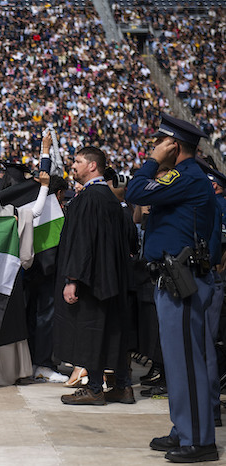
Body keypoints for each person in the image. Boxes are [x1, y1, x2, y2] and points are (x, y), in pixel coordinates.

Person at [126, 114, 220, 463]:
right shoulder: (184, 178)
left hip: (183, 281)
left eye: (160, 142)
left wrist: (152, 161)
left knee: (186, 363)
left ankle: (200, 439)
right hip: (173, 280)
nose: (155, 148)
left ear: (173, 145)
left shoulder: (189, 176)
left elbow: (136, 191)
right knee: (178, 362)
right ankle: (184, 429)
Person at [55, 146, 135, 406]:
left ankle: (94, 388)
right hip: (113, 279)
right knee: (113, 332)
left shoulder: (89, 198)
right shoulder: (112, 199)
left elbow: (82, 242)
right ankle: (122, 386)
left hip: (93, 281)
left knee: (92, 332)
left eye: (78, 161)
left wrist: (72, 279)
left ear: (92, 166)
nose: (73, 165)